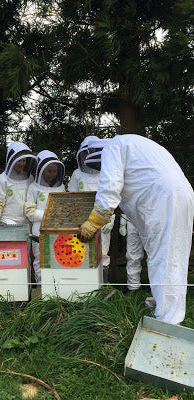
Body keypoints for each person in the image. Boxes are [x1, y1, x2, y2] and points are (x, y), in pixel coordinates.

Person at [78, 134, 194, 325]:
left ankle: (168, 322)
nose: (99, 168)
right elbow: (138, 182)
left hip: (163, 198)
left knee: (165, 256)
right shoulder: (132, 144)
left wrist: (94, 221)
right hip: (179, 194)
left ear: (94, 151)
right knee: (172, 254)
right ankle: (163, 303)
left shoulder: (112, 147)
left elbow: (109, 188)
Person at [68, 136, 115, 280]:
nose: (88, 156)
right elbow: (71, 198)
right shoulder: (77, 174)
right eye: (86, 153)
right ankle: (85, 284)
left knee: (103, 252)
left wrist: (111, 217)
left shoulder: (106, 172)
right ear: (82, 154)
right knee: (83, 251)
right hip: (83, 220)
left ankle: (103, 285)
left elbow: (112, 197)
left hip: (103, 218)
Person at [25, 150, 65, 283]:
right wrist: (51, 215)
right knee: (40, 258)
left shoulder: (61, 187)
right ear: (41, 170)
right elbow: (30, 212)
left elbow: (65, 208)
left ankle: (56, 287)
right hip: (39, 229)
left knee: (57, 257)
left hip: (57, 228)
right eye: (49, 171)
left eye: (54, 171)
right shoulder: (33, 188)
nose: (52, 174)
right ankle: (40, 287)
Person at [0, 142, 37, 225]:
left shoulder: (30, 178)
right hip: (7, 221)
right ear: (11, 160)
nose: (22, 164)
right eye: (19, 160)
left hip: (26, 222)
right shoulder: (2, 179)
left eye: (24, 160)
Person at [119, 215, 145, 291]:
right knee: (133, 254)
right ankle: (133, 286)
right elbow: (125, 203)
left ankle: (157, 290)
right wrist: (122, 223)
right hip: (132, 220)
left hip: (152, 220)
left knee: (155, 256)